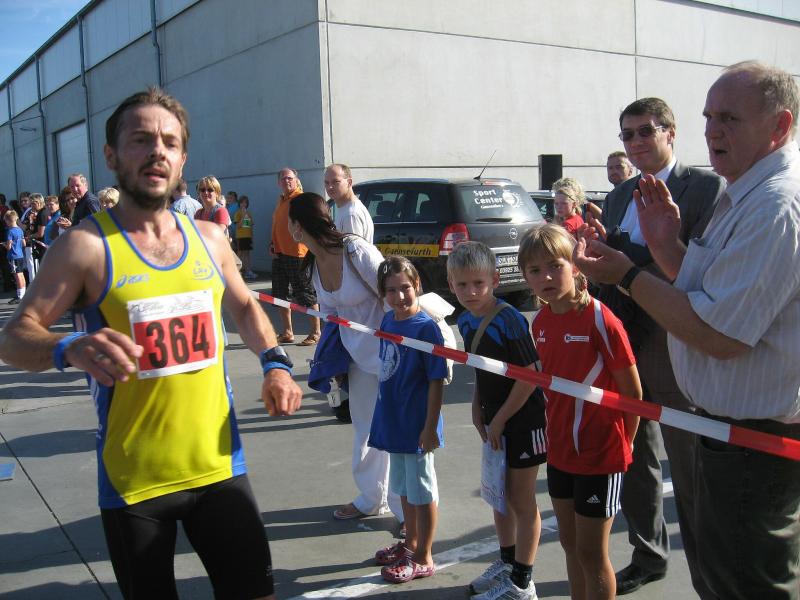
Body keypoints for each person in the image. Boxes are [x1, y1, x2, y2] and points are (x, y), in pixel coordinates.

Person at [0, 87, 303, 600]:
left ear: (182, 159)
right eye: (140, 140)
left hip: (220, 466)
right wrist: (67, 348)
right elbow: (13, 336)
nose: (156, 151)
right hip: (134, 483)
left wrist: (275, 363)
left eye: (169, 142)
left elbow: (246, 306)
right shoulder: (85, 247)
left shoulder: (209, 238)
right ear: (112, 156)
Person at [575, 60, 800, 600]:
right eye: (709, 117)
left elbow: (719, 334)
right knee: (721, 572)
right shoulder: (743, 192)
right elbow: (707, 290)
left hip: (752, 439)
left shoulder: (772, 204)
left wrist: (627, 274)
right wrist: (665, 247)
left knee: (745, 581)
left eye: (729, 118)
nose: (713, 131)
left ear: (779, 125)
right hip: (726, 427)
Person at [591, 97, 725, 595]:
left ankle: (709, 574)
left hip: (674, 344)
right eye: (627, 135)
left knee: (689, 469)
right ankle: (649, 555)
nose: (636, 142)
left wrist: (624, 260)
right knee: (633, 458)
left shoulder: (705, 188)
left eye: (645, 131)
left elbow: (703, 269)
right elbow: (611, 269)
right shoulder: (619, 194)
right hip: (623, 344)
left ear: (671, 132)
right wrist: (597, 251)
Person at [519, 223, 641, 600]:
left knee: (591, 553)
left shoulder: (601, 319)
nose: (546, 277)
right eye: (535, 270)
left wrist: (623, 445)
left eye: (555, 266)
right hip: (560, 453)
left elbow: (633, 394)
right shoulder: (540, 323)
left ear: (575, 266)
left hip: (600, 455)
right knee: (571, 546)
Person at [287, 191, 404, 524]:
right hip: (357, 356)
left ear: (298, 226)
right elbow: (332, 319)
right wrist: (333, 363)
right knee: (364, 427)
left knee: (399, 429)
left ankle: (408, 511)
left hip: (394, 353)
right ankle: (372, 498)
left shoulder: (356, 250)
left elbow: (396, 297)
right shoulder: (313, 265)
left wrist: (401, 349)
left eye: (289, 224)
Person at [448, 241, 546, 600]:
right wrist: (478, 407)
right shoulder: (464, 319)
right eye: (462, 285)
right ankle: (507, 563)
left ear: (495, 280)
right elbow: (481, 369)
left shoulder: (510, 320)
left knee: (522, 500)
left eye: (479, 283)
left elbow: (530, 375)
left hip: (524, 421)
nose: (471, 292)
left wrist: (502, 417)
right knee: (499, 495)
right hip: (495, 420)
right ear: (451, 284)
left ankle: (522, 581)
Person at [369, 255, 446, 584]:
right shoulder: (388, 321)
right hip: (395, 423)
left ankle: (424, 556)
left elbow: (436, 381)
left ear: (417, 285)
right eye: (391, 290)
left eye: (405, 288)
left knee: (422, 492)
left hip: (417, 427)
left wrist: (429, 427)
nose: (399, 296)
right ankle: (411, 543)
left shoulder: (427, 328)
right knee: (403, 489)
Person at [270, 168, 321, 346]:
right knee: (280, 294)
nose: (287, 181)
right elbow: (278, 225)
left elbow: (311, 223)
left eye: (290, 178)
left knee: (305, 293)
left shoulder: (301, 199)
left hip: (298, 253)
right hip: (279, 253)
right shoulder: (281, 200)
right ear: (279, 182)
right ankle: (287, 332)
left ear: (296, 180)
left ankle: (316, 332)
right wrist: (273, 244)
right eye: (283, 179)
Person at [325, 163, 374, 242]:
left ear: (349, 182)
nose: (330, 187)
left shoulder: (350, 215)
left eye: (336, 182)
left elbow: (353, 249)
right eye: (327, 182)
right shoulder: (346, 210)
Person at [2, 210, 26, 304]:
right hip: (20, 255)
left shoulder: (10, 231)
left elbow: (9, 247)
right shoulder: (20, 230)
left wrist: (4, 244)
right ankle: (23, 293)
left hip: (13, 255)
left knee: (17, 275)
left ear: (8, 221)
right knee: (21, 274)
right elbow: (24, 243)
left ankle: (20, 296)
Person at [234, 195, 257, 279]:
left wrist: (252, 237)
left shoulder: (249, 213)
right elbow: (238, 226)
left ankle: (248, 271)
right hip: (240, 237)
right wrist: (243, 216)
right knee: (240, 254)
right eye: (242, 203)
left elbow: (250, 226)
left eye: (245, 203)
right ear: (239, 203)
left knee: (247, 254)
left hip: (248, 236)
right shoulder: (238, 213)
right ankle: (235, 271)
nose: (243, 204)